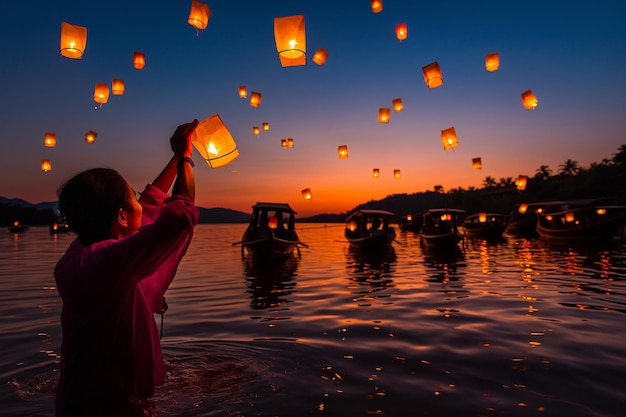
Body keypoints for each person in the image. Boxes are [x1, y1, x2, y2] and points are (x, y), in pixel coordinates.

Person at [53, 120, 200, 417]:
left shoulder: (82, 254)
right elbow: (179, 217)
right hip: (104, 407)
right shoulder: (105, 262)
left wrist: (176, 154)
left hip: (86, 399)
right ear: (121, 217)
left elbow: (151, 201)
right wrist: (186, 159)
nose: (141, 201)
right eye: (133, 196)